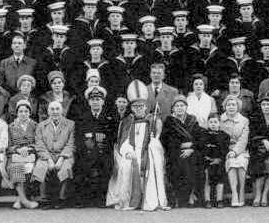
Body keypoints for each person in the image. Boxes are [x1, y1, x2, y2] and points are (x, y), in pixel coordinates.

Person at [106, 80, 168, 211]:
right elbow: (123, 140)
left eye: (141, 106)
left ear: (145, 107)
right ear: (132, 108)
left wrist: (153, 143)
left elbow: (157, 138)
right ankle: (128, 201)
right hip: (132, 152)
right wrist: (128, 150)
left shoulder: (152, 119)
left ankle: (148, 201)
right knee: (126, 164)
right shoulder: (128, 121)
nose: (138, 109)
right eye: (135, 107)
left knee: (151, 161)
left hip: (148, 151)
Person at [74, 86, 118, 208]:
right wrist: (85, 144)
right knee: (82, 166)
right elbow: (78, 136)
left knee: (106, 166)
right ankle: (84, 198)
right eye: (93, 100)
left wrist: (104, 142)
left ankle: (101, 198)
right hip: (87, 151)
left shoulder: (110, 117)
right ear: (88, 102)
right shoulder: (83, 117)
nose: (95, 102)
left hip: (104, 150)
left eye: (98, 99)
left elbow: (114, 136)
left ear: (103, 101)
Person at [161, 95, 203, 208]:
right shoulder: (169, 121)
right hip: (175, 151)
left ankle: (191, 195)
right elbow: (165, 139)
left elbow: (200, 137)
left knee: (194, 160)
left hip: (192, 151)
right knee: (178, 163)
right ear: (173, 108)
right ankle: (177, 197)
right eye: (177, 106)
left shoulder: (192, 120)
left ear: (186, 107)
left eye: (182, 105)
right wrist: (180, 145)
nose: (180, 108)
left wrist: (191, 147)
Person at [33, 101, 76, 209]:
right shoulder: (41, 126)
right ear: (48, 111)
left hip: (64, 155)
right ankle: (44, 199)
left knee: (65, 168)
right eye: (52, 109)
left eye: (57, 109)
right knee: (40, 167)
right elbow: (39, 144)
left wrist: (61, 158)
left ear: (62, 111)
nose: (55, 112)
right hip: (47, 155)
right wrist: (49, 159)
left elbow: (71, 144)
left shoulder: (70, 124)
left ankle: (61, 198)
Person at [7, 100, 40, 210]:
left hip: (31, 155)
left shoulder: (35, 125)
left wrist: (30, 148)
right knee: (17, 167)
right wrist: (18, 149)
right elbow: (8, 145)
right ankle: (25, 201)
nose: (23, 114)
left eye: (26, 111)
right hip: (16, 155)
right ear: (17, 113)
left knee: (32, 168)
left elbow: (39, 143)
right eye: (20, 111)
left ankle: (19, 199)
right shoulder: (11, 126)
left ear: (30, 113)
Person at [248, 97, 269, 207]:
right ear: (260, 107)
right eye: (263, 105)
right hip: (258, 149)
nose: (266, 107)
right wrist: (263, 140)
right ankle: (258, 195)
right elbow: (251, 135)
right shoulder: (255, 118)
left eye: (268, 105)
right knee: (259, 165)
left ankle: (265, 194)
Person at [220, 95, 249, 207]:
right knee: (231, 162)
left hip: (240, 150)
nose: (231, 107)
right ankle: (234, 193)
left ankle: (241, 191)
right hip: (225, 150)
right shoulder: (220, 120)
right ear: (225, 107)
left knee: (241, 162)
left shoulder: (244, 121)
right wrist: (228, 151)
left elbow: (243, 139)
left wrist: (235, 151)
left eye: (233, 105)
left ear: (238, 107)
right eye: (228, 105)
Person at [201, 113, 229, 208]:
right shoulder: (204, 134)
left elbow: (225, 149)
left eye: (215, 122)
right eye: (211, 122)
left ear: (219, 123)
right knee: (207, 177)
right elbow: (202, 148)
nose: (213, 124)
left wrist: (219, 159)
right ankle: (207, 199)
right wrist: (207, 158)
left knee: (220, 177)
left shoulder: (224, 136)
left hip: (219, 160)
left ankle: (219, 199)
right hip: (207, 161)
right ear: (207, 124)